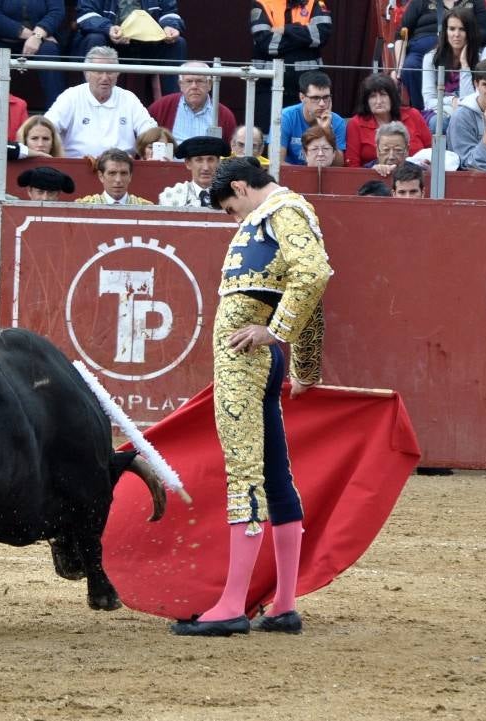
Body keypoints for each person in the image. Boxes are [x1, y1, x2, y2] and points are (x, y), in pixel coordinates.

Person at [170, 156, 331, 637]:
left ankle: (233, 605)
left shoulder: (280, 211)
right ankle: (282, 604)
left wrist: (274, 333)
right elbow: (307, 294)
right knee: (275, 476)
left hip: (245, 360)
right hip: (259, 359)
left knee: (245, 473)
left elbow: (315, 276)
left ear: (241, 186)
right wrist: (304, 366)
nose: (233, 219)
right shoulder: (286, 214)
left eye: (230, 208)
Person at [44, 45, 157, 159]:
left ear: (117, 73)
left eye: (110, 72)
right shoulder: (71, 96)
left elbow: (149, 130)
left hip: (121, 167)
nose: (104, 77)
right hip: (78, 165)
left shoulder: (128, 98)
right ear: (86, 73)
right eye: (99, 72)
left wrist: (148, 152)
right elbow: (47, 126)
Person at [249, 0, 333, 130]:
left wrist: (285, 29)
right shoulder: (261, 3)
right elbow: (266, 43)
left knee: (310, 137)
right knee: (266, 138)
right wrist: (303, 39)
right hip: (268, 89)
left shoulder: (315, 2)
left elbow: (321, 35)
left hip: (308, 90)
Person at [75, 0, 187, 95]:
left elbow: (170, 13)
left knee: (177, 43)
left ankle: (174, 105)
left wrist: (170, 26)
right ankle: (90, 99)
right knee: (94, 39)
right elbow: (85, 14)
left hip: (148, 43)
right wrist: (108, 28)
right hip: (111, 44)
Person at [395, 0, 486, 110]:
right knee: (410, 67)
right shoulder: (420, 2)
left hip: (465, 49)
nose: (456, 32)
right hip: (420, 53)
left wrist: (467, 40)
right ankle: (420, 112)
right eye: (452, 29)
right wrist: (398, 68)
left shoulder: (475, 2)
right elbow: (401, 34)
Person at [0, 0, 65, 106]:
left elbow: (56, 12)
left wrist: (39, 35)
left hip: (41, 37)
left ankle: (55, 113)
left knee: (49, 51)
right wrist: (34, 36)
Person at [345, 73, 432, 168]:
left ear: (392, 97)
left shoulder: (413, 115)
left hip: (415, 176)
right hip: (372, 178)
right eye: (373, 96)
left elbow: (432, 151)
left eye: (383, 95)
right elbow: (352, 164)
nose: (378, 101)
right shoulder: (355, 124)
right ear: (366, 101)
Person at [420, 7, 480, 133]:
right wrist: (451, 100)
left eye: (462, 29)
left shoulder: (479, 59)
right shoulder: (431, 58)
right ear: (445, 31)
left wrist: (465, 65)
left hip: (467, 113)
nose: (456, 34)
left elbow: (468, 100)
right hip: (438, 112)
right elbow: (429, 101)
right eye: (452, 29)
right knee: (439, 122)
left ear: (470, 32)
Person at [147, 61, 238, 144]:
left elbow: (230, 152)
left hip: (207, 162)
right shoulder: (161, 107)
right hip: (171, 162)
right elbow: (145, 143)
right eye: (189, 81)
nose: (194, 86)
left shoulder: (225, 115)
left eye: (199, 81)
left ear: (209, 84)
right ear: (181, 85)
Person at [279, 69, 347, 165]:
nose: (322, 104)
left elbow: (339, 165)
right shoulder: (286, 117)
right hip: (292, 176)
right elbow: (277, 162)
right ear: (302, 97)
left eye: (326, 97)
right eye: (315, 98)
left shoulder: (337, 122)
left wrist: (326, 131)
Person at [158, 135, 230, 207]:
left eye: (210, 160)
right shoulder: (171, 197)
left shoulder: (231, 196)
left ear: (218, 162)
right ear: (188, 163)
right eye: (199, 160)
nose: (206, 167)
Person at [76, 147, 153, 204]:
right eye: (112, 173)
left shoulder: (145, 207)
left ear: (130, 176)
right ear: (101, 176)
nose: (118, 180)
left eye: (123, 173)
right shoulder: (85, 206)